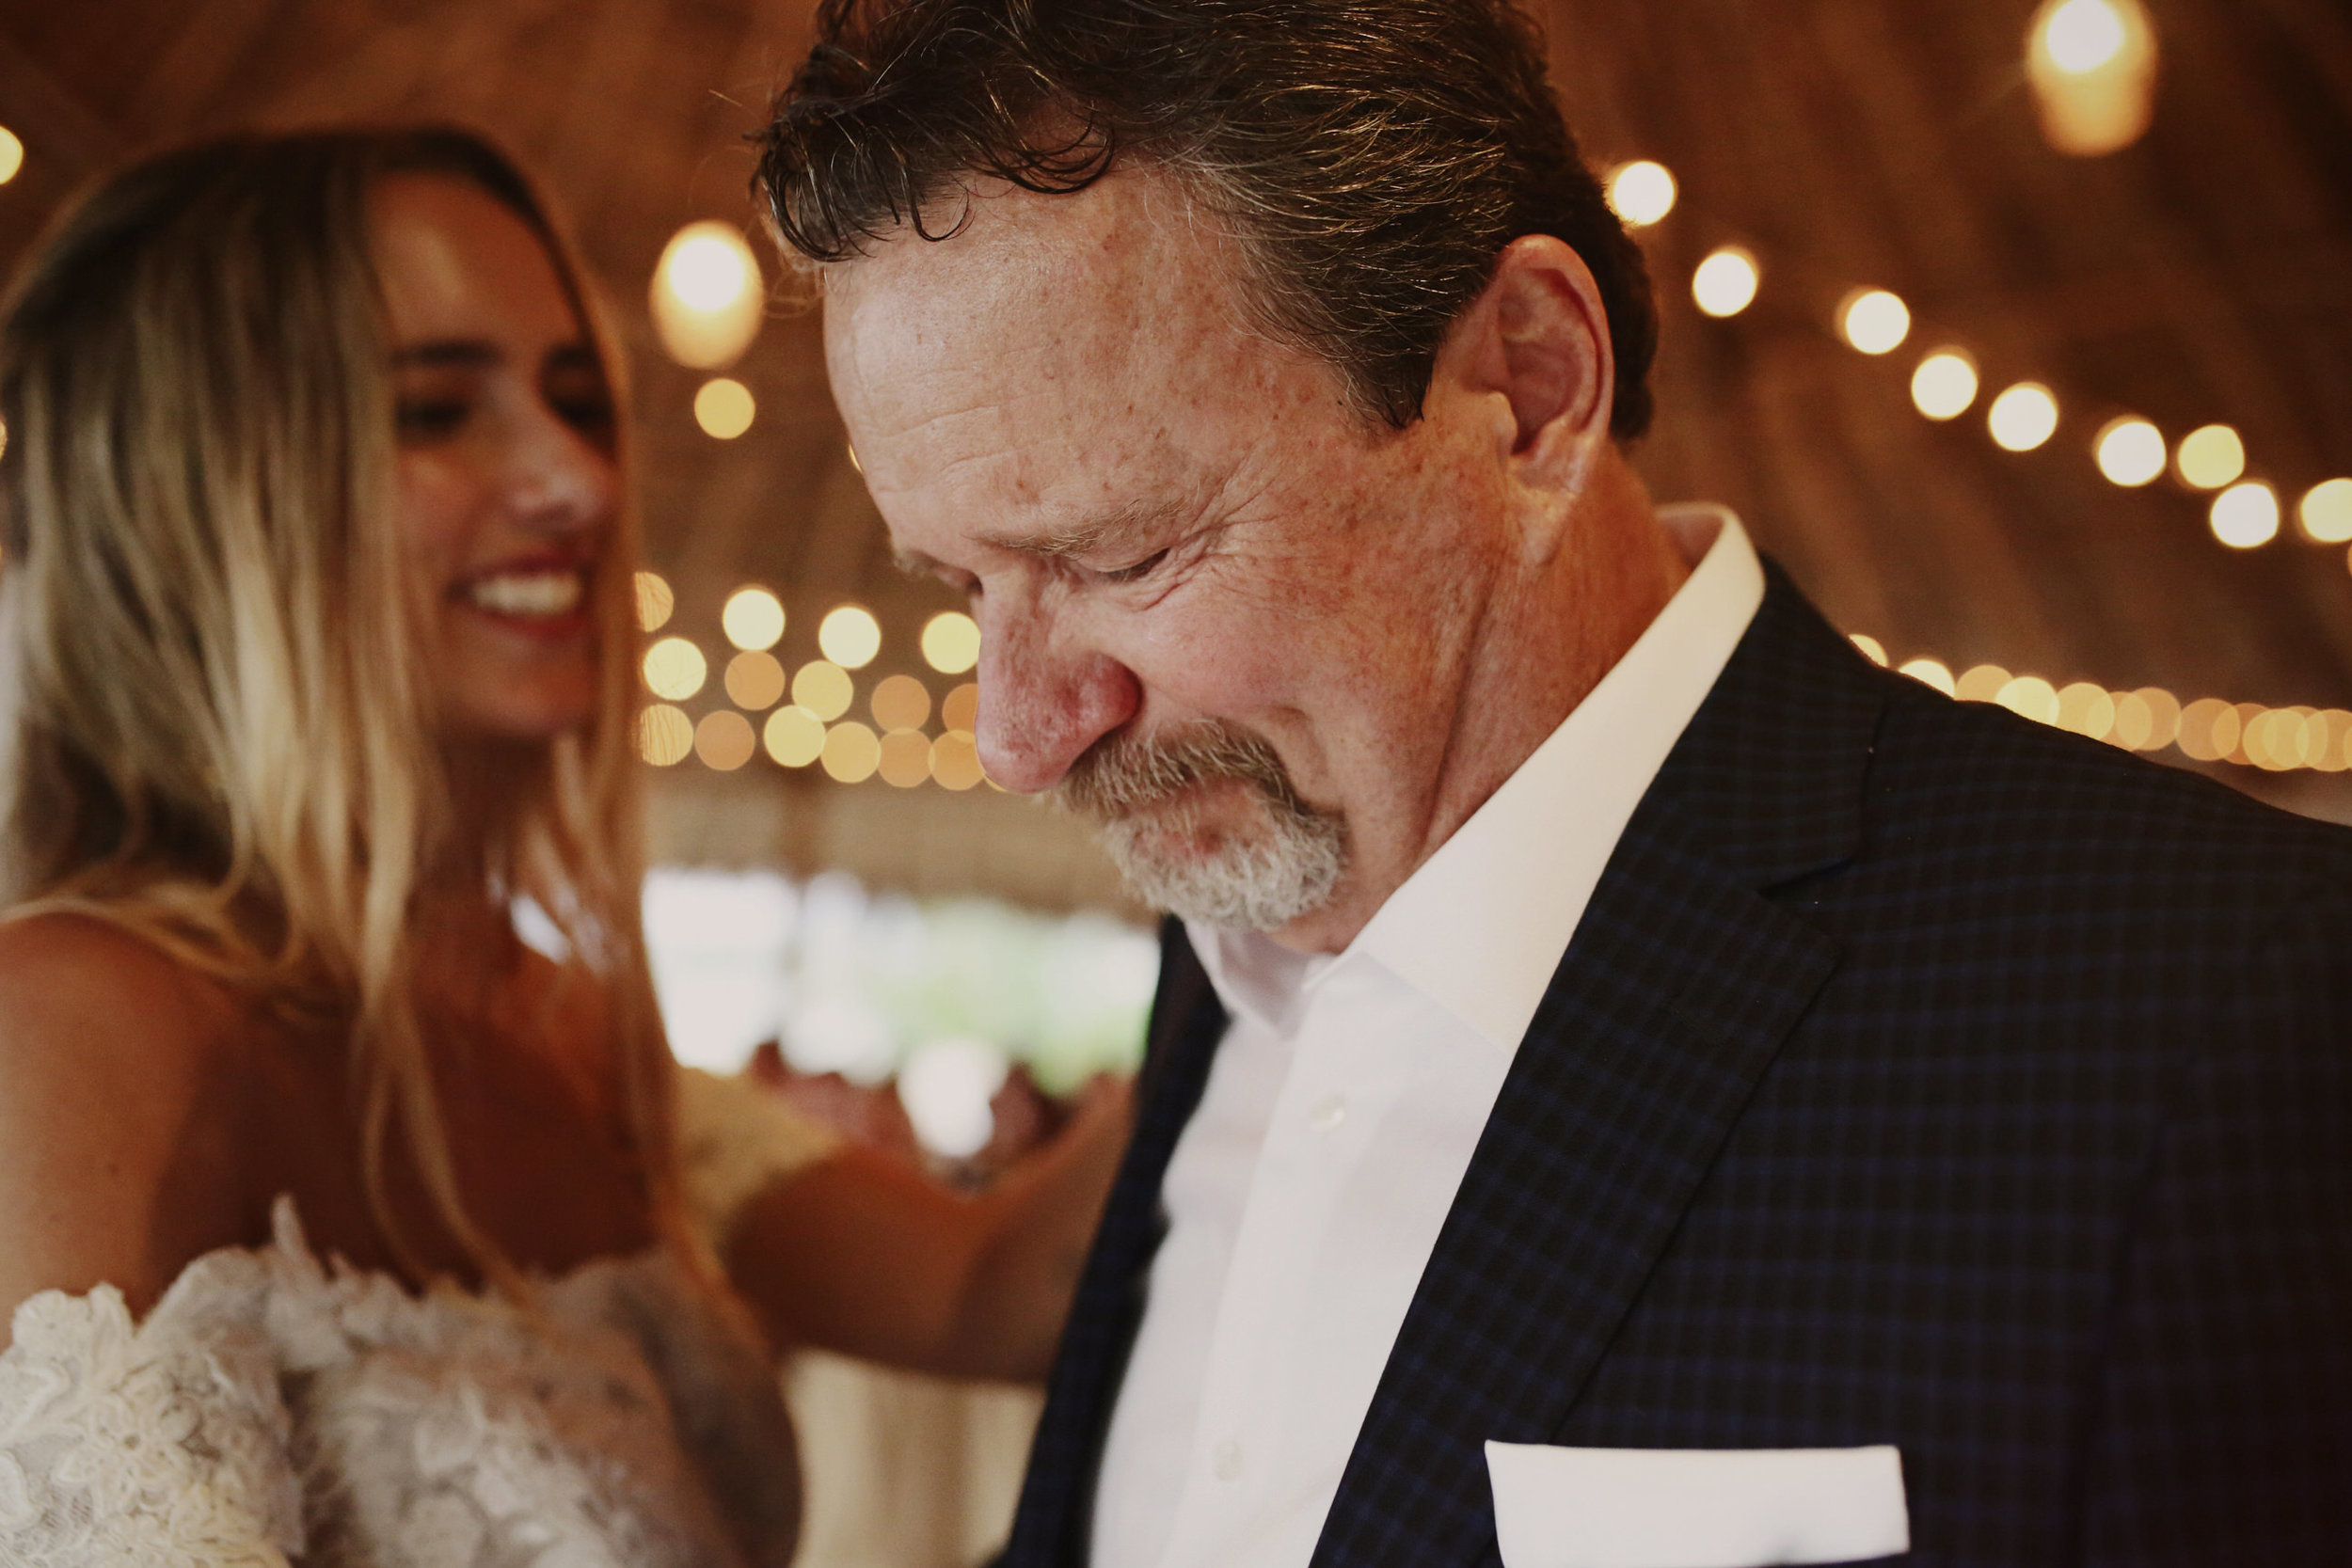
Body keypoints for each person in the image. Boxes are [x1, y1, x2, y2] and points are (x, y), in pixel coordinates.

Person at [755, 1, 2352, 1563]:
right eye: (961, 588)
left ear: (1526, 388)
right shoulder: (1247, 903)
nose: (1018, 735)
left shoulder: (2226, 1019)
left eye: (1121, 553)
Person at [0, 126, 1126, 1567]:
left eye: (577, 400)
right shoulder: (74, 1018)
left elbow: (999, 1292)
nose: (580, 485)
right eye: (435, 412)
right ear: (203, 497)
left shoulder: (575, 1041)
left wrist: (1273, 882)